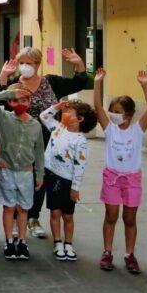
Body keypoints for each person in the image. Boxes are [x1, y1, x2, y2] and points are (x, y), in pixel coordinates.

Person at [0, 47, 88, 239]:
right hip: (19, 139)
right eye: (22, 63)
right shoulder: (14, 84)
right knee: (18, 176)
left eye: (30, 63)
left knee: (40, 178)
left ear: (38, 64)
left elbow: (78, 82)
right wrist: (4, 76)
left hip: (48, 140)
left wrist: (78, 63)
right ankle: (14, 218)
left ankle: (33, 217)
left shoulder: (51, 82)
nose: (25, 67)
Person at [94, 69, 147, 274]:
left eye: (118, 111)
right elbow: (97, 107)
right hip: (112, 177)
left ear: (128, 115)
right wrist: (97, 82)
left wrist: (145, 85)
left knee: (130, 219)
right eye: (112, 111)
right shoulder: (109, 128)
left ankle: (130, 254)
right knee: (110, 216)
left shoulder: (137, 130)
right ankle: (107, 251)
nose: (113, 115)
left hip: (132, 179)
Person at [0, 84, 44, 261]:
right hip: (7, 170)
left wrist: (40, 174)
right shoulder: (4, 118)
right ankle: (9, 241)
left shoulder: (36, 125)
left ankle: (22, 241)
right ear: (9, 103)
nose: (19, 103)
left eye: (23, 99)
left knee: (22, 208)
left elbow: (39, 152)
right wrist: (11, 92)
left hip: (26, 173)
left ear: (29, 102)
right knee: (9, 207)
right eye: (14, 100)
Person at [40, 99, 97, 262]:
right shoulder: (58, 128)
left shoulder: (80, 141)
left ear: (79, 119)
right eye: (64, 112)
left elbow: (80, 166)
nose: (64, 114)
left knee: (68, 215)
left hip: (67, 181)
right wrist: (57, 106)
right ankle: (58, 242)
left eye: (68, 113)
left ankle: (68, 243)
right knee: (54, 212)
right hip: (51, 176)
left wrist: (75, 187)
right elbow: (44, 117)